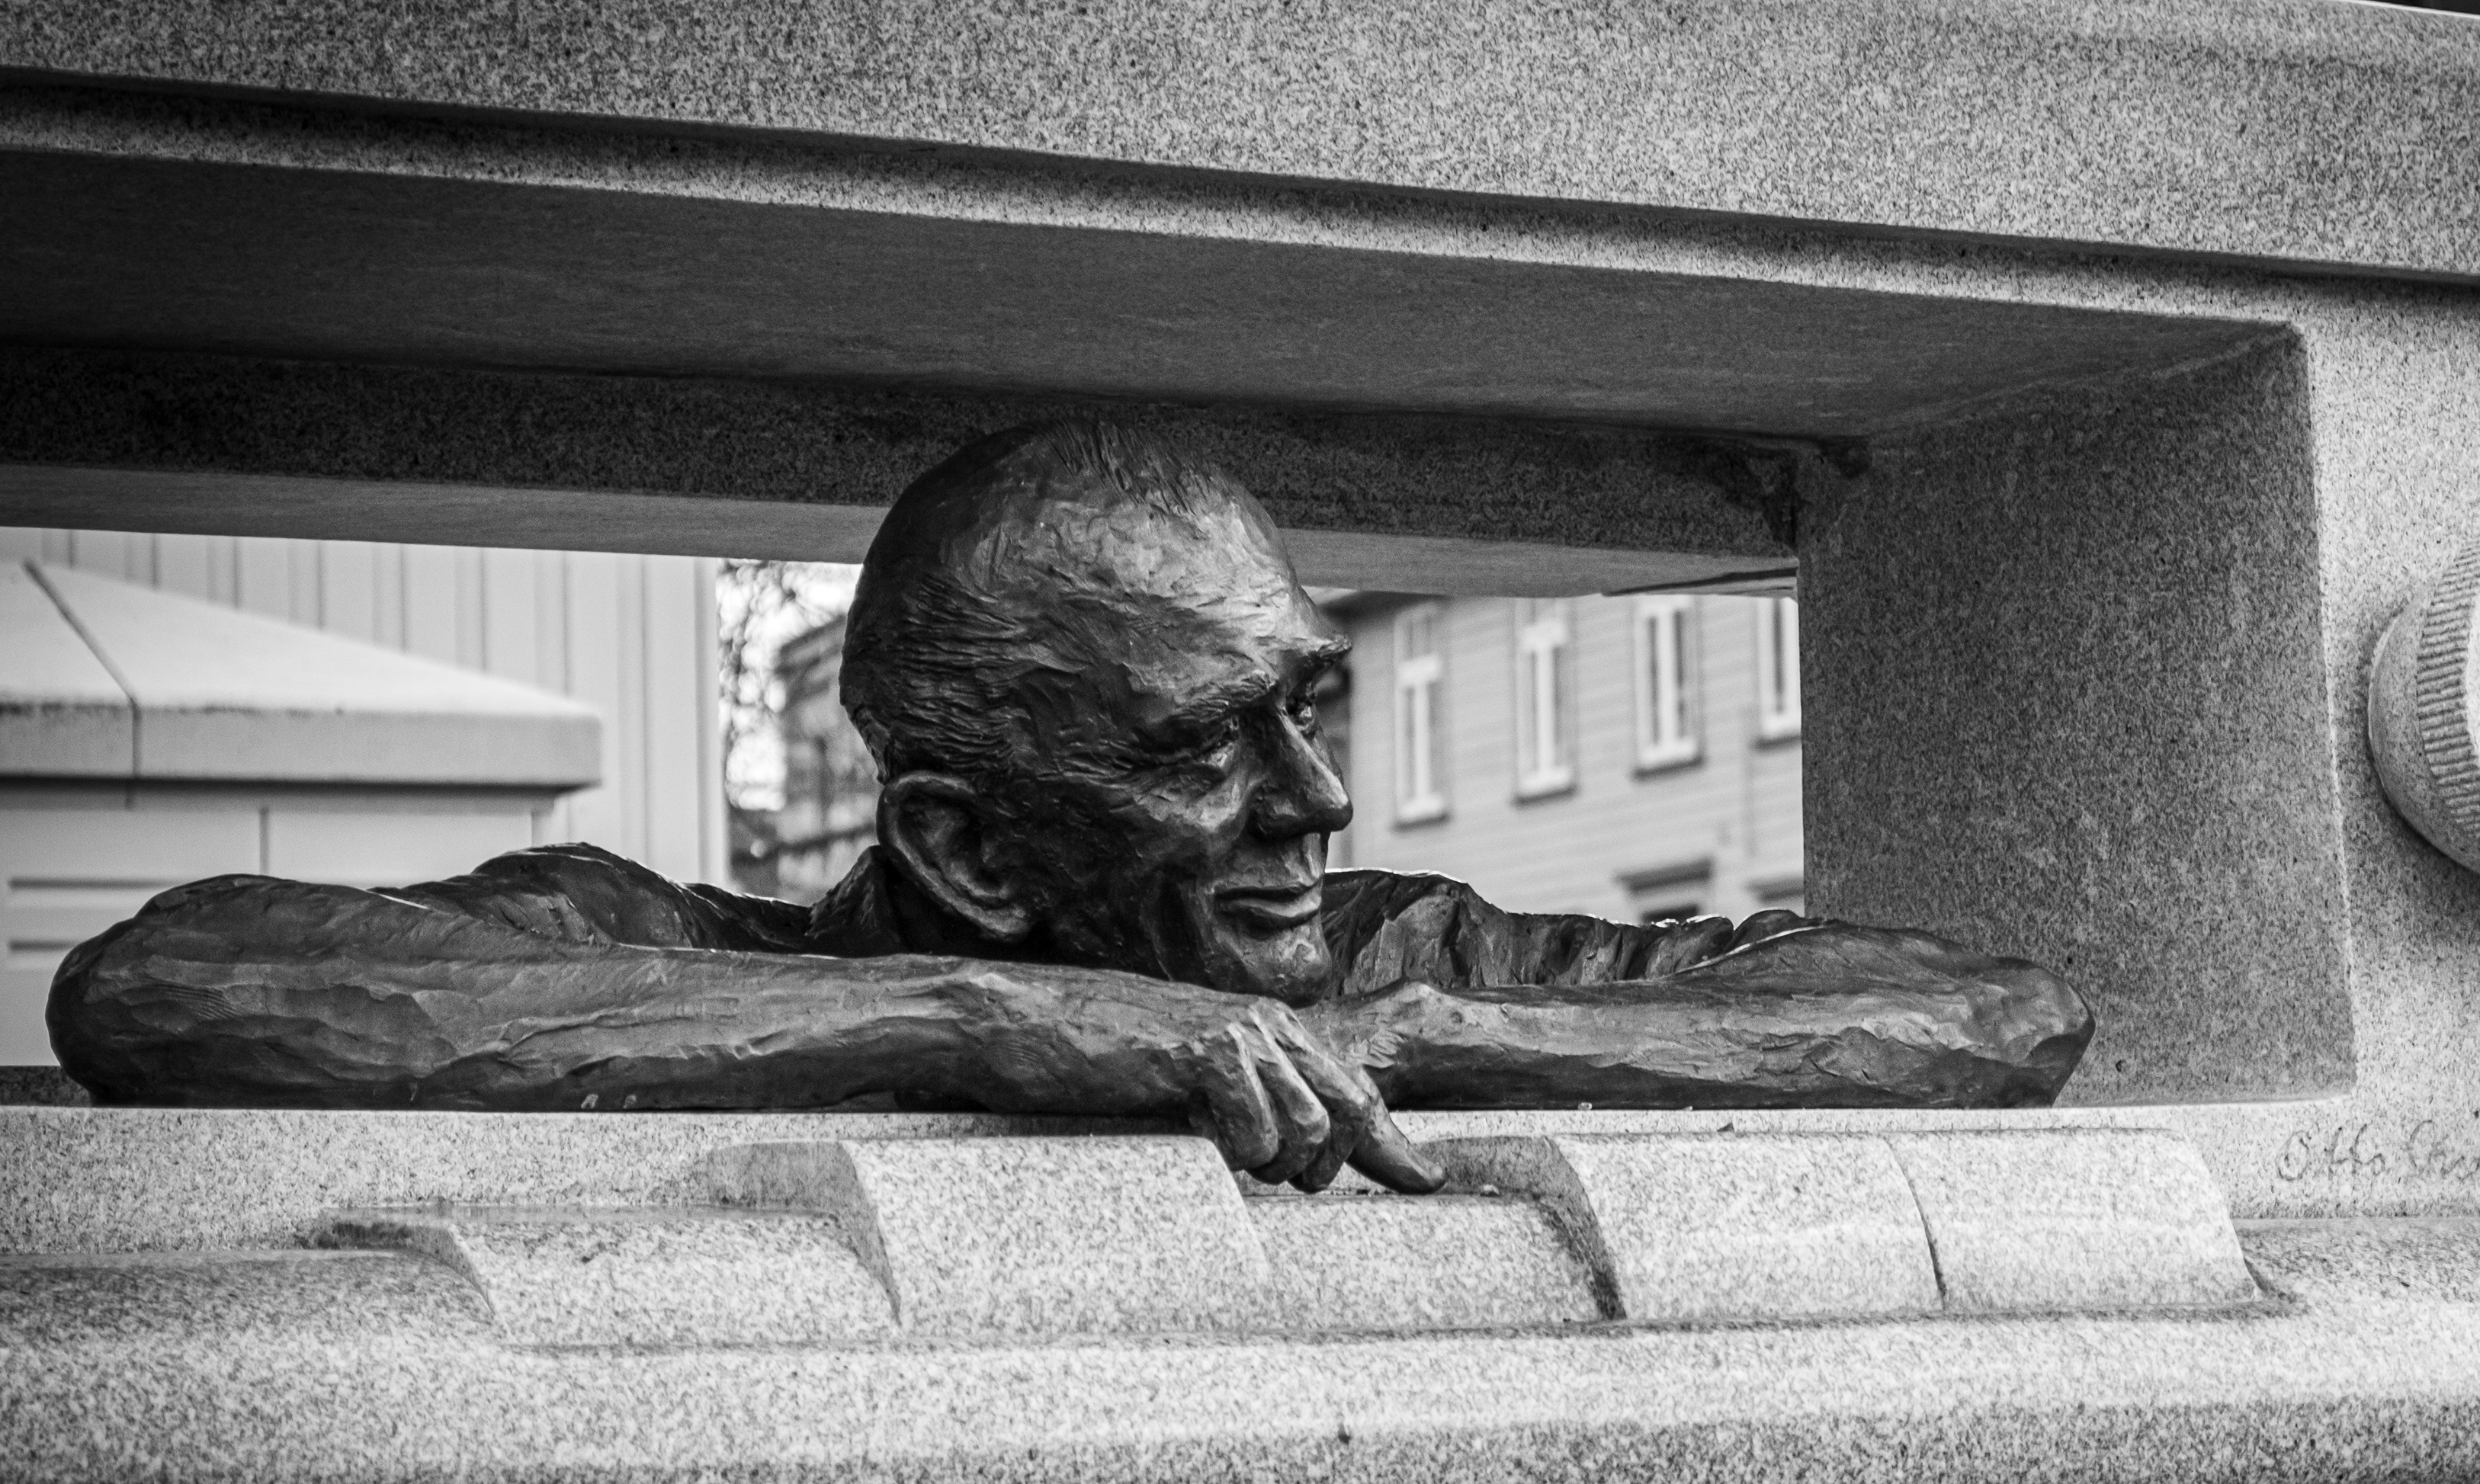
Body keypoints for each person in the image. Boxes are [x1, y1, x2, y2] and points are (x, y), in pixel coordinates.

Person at [47, 423, 2090, 1193]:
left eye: (1309, 705)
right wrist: (984, 1023)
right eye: (1211, 745)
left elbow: (1999, 1016)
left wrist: (1430, 1043)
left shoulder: (1394, 959)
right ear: (969, 851)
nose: (1317, 796)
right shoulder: (659, 947)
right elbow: (162, 986)